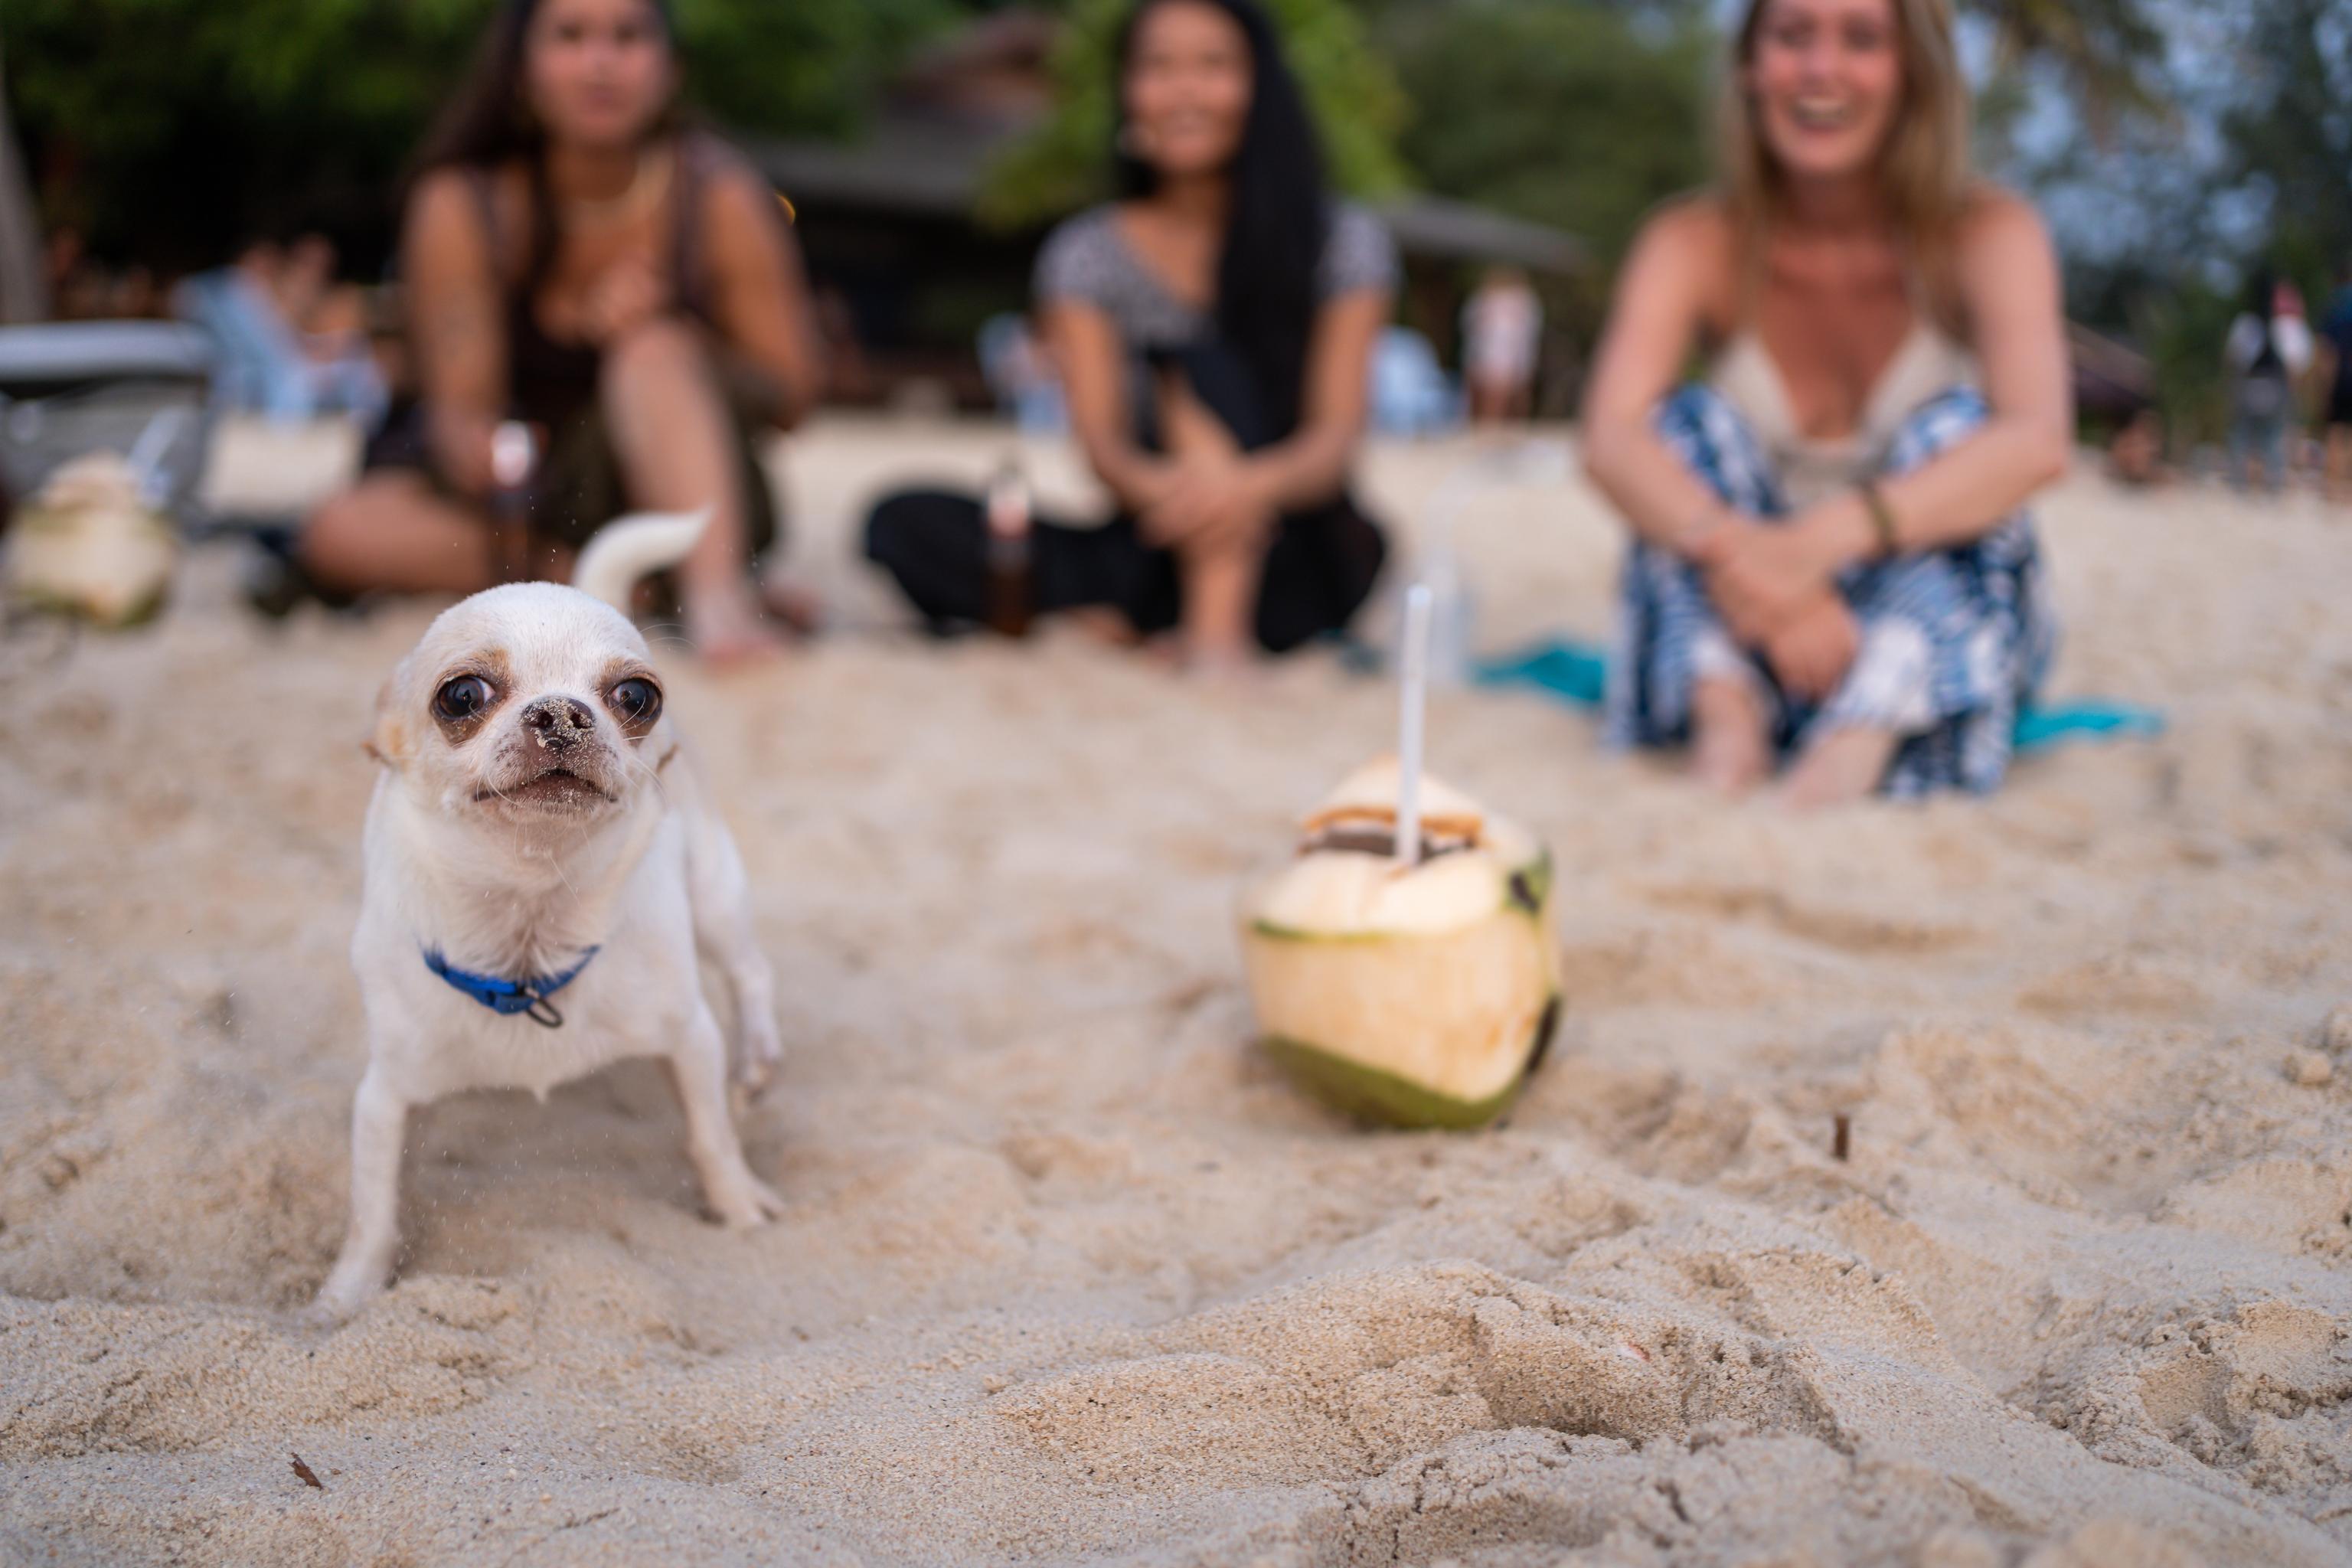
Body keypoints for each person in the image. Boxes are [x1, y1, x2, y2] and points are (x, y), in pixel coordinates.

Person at [1580, 0, 2070, 806]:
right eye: (1792, 35)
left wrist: (1816, 545)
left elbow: (2037, 440)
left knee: (1964, 433)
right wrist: (1755, 570)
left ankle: (1856, 743)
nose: (1820, 71)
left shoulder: (1990, 232)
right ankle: (1726, 722)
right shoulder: (1691, 238)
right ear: (1749, 64)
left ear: (1914, 71)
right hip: (1739, 619)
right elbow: (1609, 438)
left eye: (1862, 38)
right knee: (1683, 426)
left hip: (1914, 629)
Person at [862, 0, 1393, 672]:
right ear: (1127, 90)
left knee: (1202, 363)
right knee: (903, 522)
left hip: (1292, 544)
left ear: (1262, 85)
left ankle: (1209, 633)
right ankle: (1135, 620)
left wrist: (1240, 492)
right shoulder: (1088, 253)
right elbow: (1106, 451)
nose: (1183, 90)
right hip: (1151, 534)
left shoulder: (1342, 242)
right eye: (1158, 66)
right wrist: (1187, 498)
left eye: (1212, 64)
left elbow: (1333, 441)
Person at [299, 0, 824, 661]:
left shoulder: (717, 194)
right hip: (529, 515)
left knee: (653, 350)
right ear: (521, 69)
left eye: (627, 37)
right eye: (571, 36)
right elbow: (462, 413)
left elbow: (794, 396)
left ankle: (716, 603)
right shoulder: (465, 201)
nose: (600, 62)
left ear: (671, 69)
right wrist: (482, 450)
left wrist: (677, 339)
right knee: (338, 531)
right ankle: (610, 583)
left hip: (679, 499)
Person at [2225, 270, 2314, 495]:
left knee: (2243, 437)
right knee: (2273, 438)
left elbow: (2233, 359)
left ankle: (2240, 485)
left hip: (2249, 387)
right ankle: (2272, 487)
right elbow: (2296, 368)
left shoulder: (2246, 322)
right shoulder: (2288, 327)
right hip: (2276, 389)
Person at [1463, 266, 1544, 424]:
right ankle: (1489, 430)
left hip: (1505, 359)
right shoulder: (1486, 299)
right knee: (1491, 401)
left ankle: (1497, 430)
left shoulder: (1523, 301)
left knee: (1508, 401)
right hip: (1491, 358)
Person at [2323, 263, 2352, 502]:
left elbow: (2327, 351)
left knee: (2336, 432)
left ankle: (2334, 490)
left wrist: (2324, 384)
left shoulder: (2335, 307)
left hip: (2341, 375)